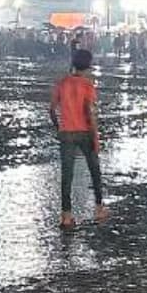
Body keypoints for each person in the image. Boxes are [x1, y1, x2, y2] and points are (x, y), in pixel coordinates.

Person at [50, 49, 107, 229]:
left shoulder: (62, 83)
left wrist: (58, 127)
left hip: (66, 133)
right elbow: (91, 112)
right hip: (84, 132)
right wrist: (95, 137)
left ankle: (66, 215)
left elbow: (51, 110)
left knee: (67, 175)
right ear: (88, 65)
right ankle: (99, 208)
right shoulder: (87, 85)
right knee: (94, 170)